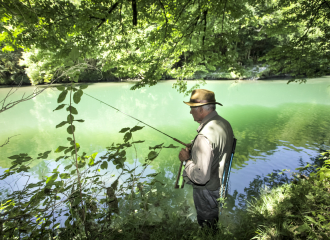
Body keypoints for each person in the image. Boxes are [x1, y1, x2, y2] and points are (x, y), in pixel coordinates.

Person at [178, 89, 234, 230]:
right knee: (214, 220)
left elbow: (201, 177)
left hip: (207, 191)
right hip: (219, 183)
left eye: (192, 108)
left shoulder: (204, 137)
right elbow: (218, 148)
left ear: (201, 109)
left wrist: (187, 160)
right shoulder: (224, 123)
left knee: (207, 226)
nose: (190, 112)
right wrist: (195, 147)